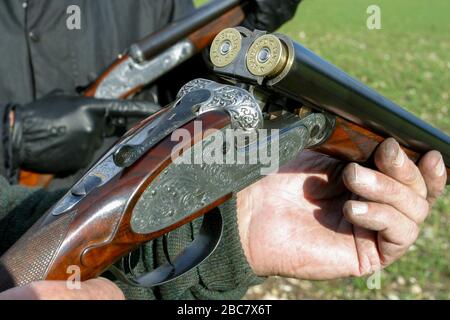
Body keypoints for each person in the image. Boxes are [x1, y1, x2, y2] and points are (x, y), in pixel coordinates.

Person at [0, 0, 447, 300]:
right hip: (86, 205)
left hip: (128, 193)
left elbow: (192, 77)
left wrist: (238, 223)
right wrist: (10, 134)